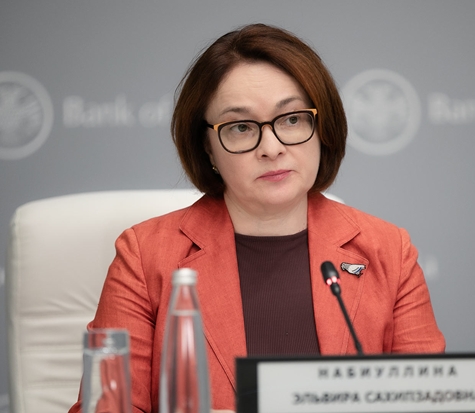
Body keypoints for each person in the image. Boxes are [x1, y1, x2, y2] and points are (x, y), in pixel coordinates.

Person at [69, 23, 445, 413]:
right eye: (241, 127)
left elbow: (429, 403)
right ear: (208, 148)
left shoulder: (388, 251)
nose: (271, 147)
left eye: (292, 119)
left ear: (322, 127)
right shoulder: (145, 256)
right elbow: (108, 407)